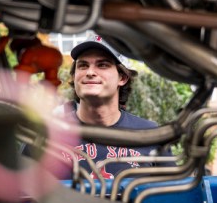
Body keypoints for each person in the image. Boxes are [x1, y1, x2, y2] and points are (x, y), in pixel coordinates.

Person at [54, 39, 160, 178]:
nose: (90, 72)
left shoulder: (151, 135)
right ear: (74, 77)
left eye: (102, 65)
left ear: (122, 78)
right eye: (83, 65)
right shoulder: (49, 134)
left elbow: (175, 195)